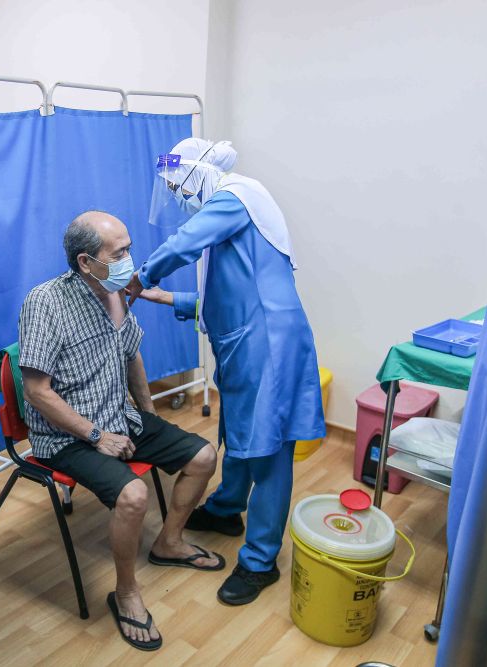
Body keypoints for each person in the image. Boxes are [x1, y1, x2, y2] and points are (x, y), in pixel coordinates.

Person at [127, 138, 325, 606]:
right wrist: (168, 299)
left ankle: (259, 562)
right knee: (239, 432)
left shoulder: (237, 195)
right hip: (248, 340)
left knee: (269, 449)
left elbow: (183, 244)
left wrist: (138, 279)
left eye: (178, 187)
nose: (177, 198)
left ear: (197, 173)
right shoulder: (237, 215)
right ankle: (227, 507)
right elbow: (229, 295)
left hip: (269, 345)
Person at [18, 210, 224, 651]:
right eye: (121, 252)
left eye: (129, 248)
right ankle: (127, 591)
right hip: (65, 436)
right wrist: (95, 435)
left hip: (120, 418)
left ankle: (169, 543)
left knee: (203, 456)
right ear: (85, 262)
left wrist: (149, 417)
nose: (131, 259)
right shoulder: (46, 302)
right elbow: (36, 391)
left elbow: (131, 355)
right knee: (133, 496)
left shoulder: (117, 294)